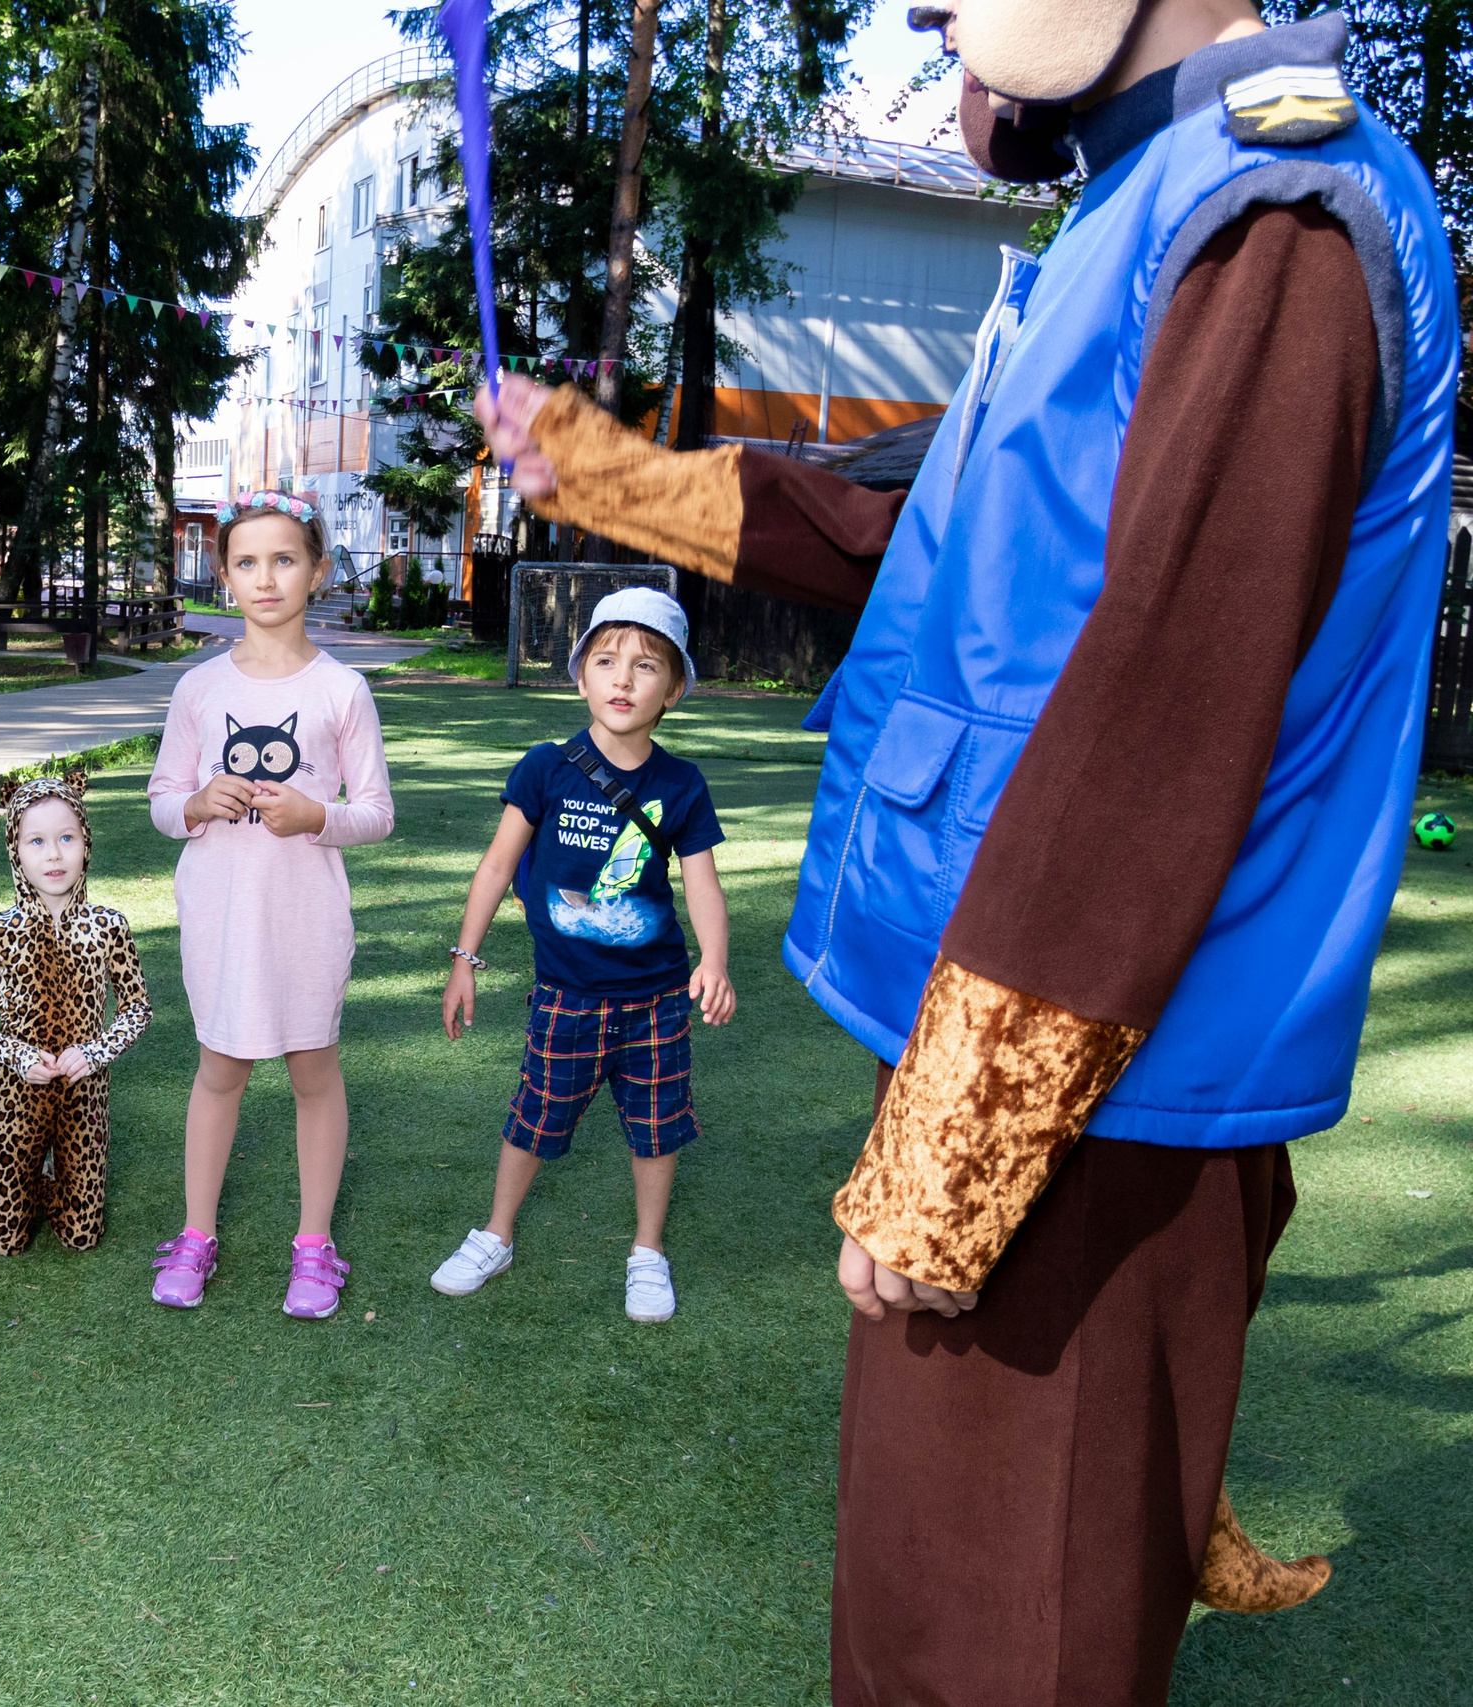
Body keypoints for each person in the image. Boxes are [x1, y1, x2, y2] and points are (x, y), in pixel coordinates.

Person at [474, 1, 1455, 1695]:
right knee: (954, 1582)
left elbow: (1162, 715)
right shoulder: (1155, 198)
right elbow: (925, 538)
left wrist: (956, 1146)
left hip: (1083, 1069)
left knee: (995, 1638)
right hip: (1049, 1036)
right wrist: (613, 479)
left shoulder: (1272, 212)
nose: (928, 15)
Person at [429, 589, 734, 1322]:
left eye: (645, 665)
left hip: (657, 999)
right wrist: (463, 959)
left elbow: (703, 885)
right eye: (606, 661)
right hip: (565, 995)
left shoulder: (681, 784)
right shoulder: (545, 767)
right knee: (534, 1116)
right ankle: (495, 1233)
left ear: (675, 687)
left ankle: (647, 1251)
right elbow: (497, 867)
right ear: (581, 676)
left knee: (657, 1127)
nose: (623, 679)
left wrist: (714, 961)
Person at [146, 490, 396, 1316]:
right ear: (223, 576)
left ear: (318, 571)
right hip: (219, 913)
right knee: (219, 1067)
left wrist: (316, 816)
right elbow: (160, 798)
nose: (266, 577)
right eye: (247, 562)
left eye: (285, 559)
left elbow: (377, 812)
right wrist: (195, 801)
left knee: (312, 1069)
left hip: (305, 918)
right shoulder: (198, 689)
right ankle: (195, 1232)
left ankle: (315, 1244)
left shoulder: (342, 690)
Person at [0, 773, 152, 1254]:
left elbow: (137, 1007)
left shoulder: (108, 926)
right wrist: (13, 1053)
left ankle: (43, 1176)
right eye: (36, 840)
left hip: (85, 1095)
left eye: (66, 838)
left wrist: (97, 1051)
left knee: (81, 1237)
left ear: (86, 843)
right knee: (6, 1241)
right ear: (15, 849)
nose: (54, 855)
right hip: (17, 1094)